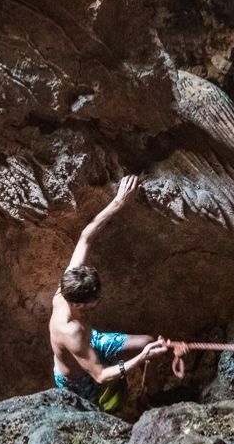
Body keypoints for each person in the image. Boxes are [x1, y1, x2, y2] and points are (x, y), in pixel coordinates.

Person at [50, 175, 170, 412]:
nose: (99, 302)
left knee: (147, 341)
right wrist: (140, 358)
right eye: (95, 301)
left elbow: (86, 236)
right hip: (79, 381)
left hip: (92, 341)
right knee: (105, 411)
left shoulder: (69, 283)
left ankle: (148, 394)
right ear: (81, 305)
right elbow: (101, 375)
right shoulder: (71, 331)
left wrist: (118, 202)